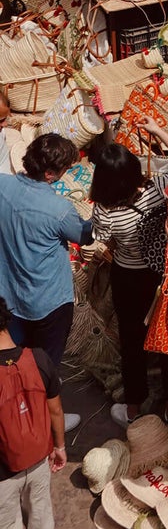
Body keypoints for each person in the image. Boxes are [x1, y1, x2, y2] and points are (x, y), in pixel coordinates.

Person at [87, 141, 168, 427]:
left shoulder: (104, 211)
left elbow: (105, 240)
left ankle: (133, 409)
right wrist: (157, 132)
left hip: (127, 278)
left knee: (132, 342)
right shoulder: (157, 190)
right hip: (161, 274)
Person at [0, 133, 88, 383]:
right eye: (64, 170)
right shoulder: (59, 209)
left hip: (9, 297)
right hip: (47, 302)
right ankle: (46, 416)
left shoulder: (2, 187)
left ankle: (18, 411)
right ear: (50, 173)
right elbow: (84, 236)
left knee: (13, 361)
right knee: (44, 368)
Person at [0, 295, 66, 529]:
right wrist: (60, 446)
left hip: (3, 473)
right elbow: (55, 409)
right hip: (39, 459)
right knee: (41, 517)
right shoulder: (38, 358)